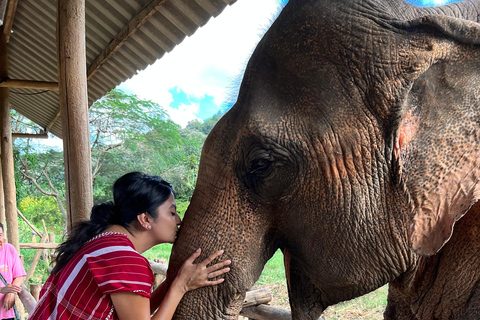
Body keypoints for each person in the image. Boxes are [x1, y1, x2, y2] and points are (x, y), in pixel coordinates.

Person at [27, 172, 231, 320]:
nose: (178, 220)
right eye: (171, 212)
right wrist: (181, 286)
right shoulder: (126, 261)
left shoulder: (101, 241)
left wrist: (172, 282)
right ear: (144, 218)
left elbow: (130, 311)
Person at [0, 222, 27, 320]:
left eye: (0, 235)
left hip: (6, 311)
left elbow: (19, 276)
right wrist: (1, 290)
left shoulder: (9, 249)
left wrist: (11, 293)